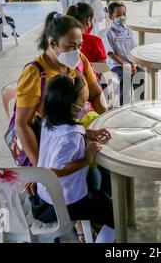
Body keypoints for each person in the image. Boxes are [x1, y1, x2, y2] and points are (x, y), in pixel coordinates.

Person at [15, 13, 109, 170]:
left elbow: (96, 94)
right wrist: (40, 168)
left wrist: (103, 121)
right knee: (95, 176)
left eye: (79, 46)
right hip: (55, 141)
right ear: (52, 43)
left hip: (80, 131)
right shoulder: (35, 73)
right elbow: (23, 124)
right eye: (70, 46)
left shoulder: (80, 62)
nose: (76, 52)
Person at [30, 75, 114, 242]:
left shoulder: (48, 120)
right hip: (65, 204)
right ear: (69, 106)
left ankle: (85, 231)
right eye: (83, 100)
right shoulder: (71, 136)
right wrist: (87, 158)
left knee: (97, 193)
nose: (87, 105)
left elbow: (66, 131)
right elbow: (55, 170)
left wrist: (88, 132)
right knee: (115, 213)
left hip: (44, 197)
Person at [104, 1, 144, 105]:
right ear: (111, 16)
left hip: (131, 64)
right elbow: (110, 53)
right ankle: (124, 107)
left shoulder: (128, 31)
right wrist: (124, 65)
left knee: (141, 75)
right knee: (125, 78)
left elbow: (134, 50)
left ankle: (141, 105)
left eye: (124, 14)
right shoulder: (109, 33)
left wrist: (134, 64)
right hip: (117, 65)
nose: (122, 17)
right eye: (118, 15)